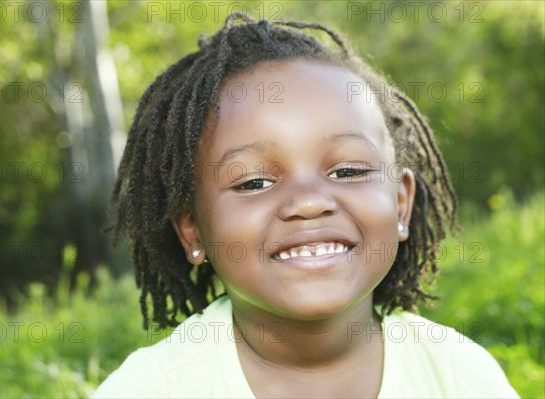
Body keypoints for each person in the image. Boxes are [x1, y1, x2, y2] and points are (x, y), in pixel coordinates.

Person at [93, 13, 518, 398]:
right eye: (254, 182)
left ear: (401, 203)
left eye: (348, 171)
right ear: (193, 231)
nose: (310, 202)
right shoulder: (150, 389)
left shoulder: (459, 377)